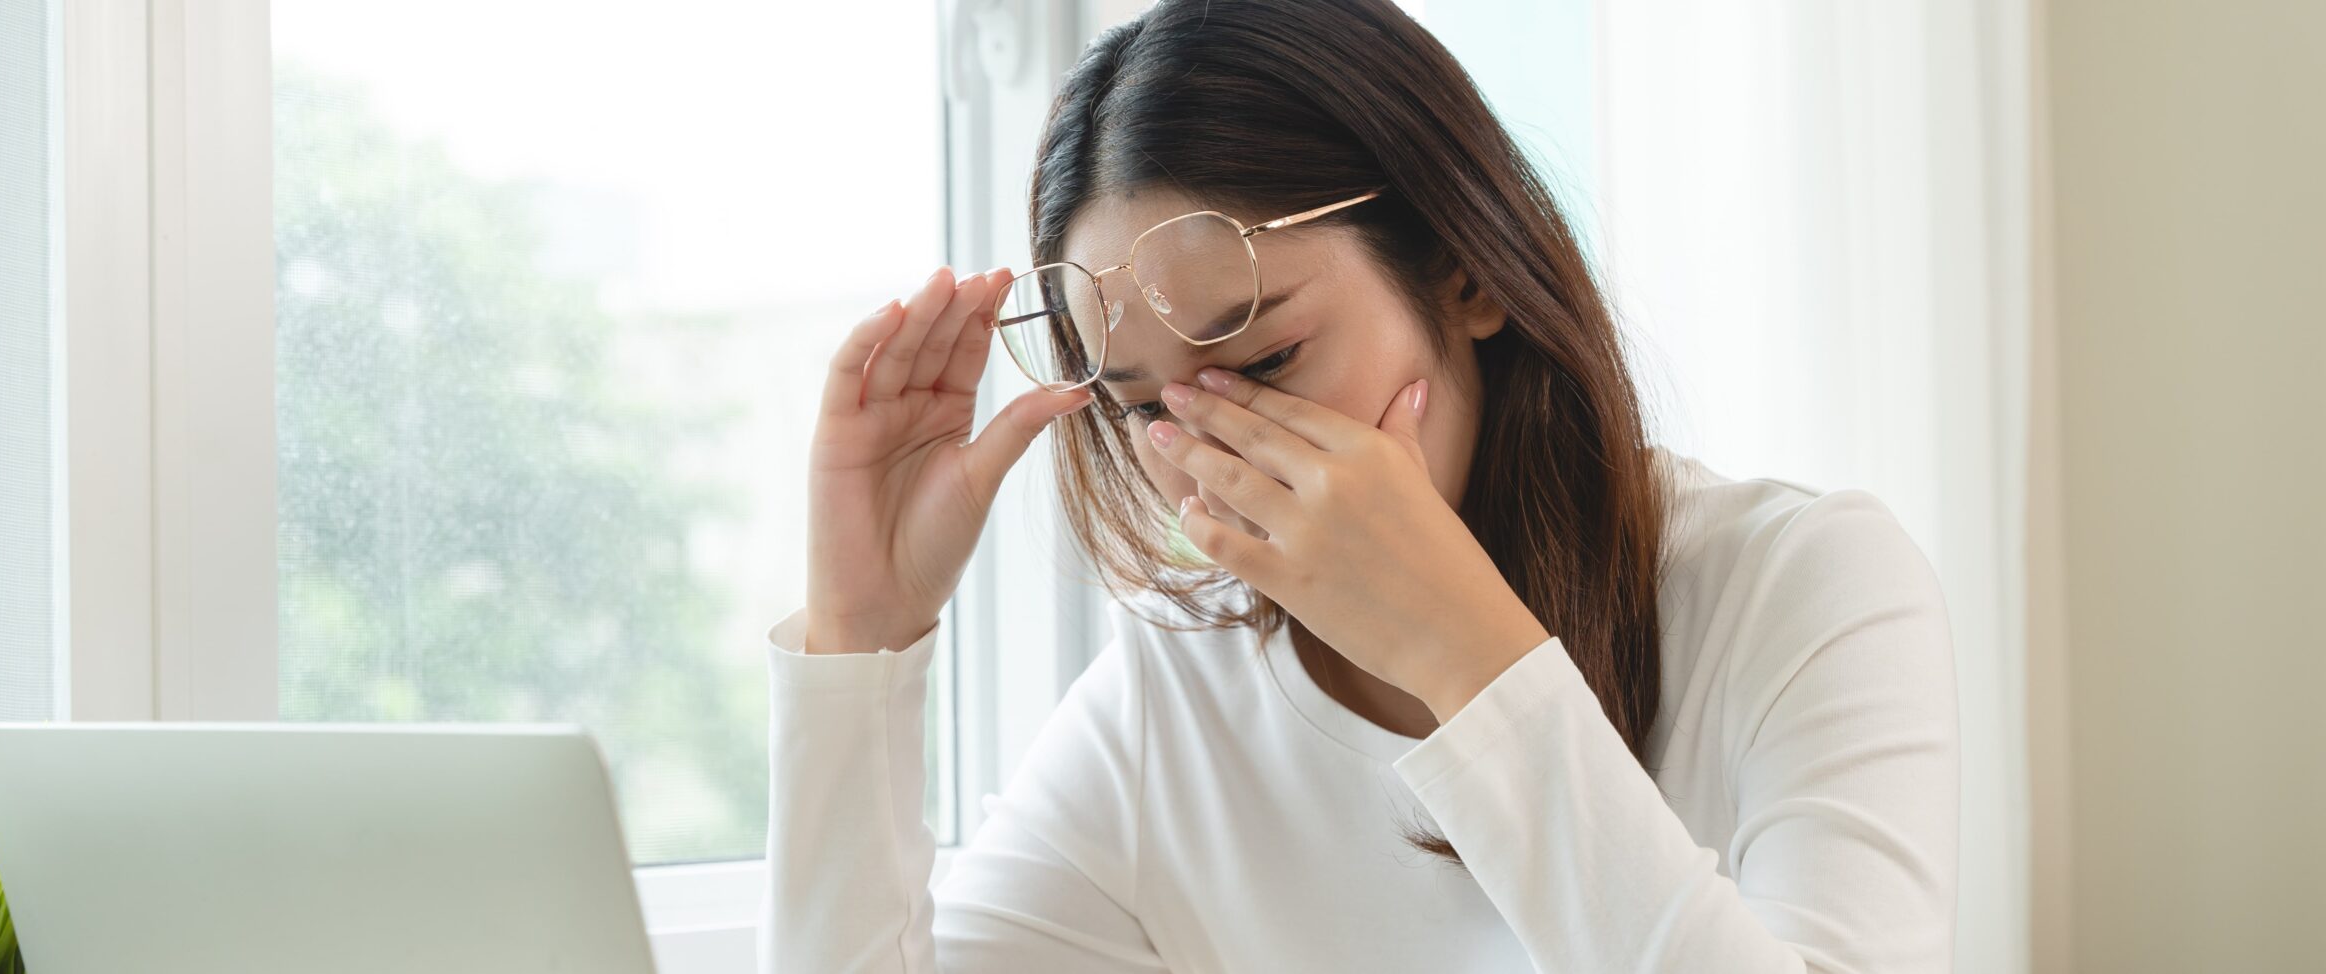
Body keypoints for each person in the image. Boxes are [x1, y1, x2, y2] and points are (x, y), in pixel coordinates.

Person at [760, 0, 1959, 970]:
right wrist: (859, 644)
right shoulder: (1172, 701)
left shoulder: (1800, 586)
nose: (1210, 447)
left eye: (1266, 358)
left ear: (1466, 274)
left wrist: (1463, 652)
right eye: (1137, 405)